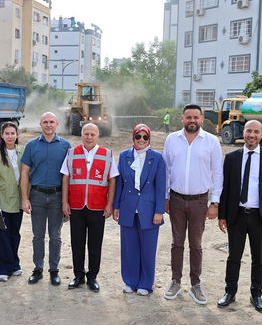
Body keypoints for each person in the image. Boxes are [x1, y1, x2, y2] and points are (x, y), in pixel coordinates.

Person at [217, 120, 262, 313]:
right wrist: (222, 215)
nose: (251, 135)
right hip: (236, 215)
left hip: (260, 217)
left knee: (259, 259)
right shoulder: (231, 158)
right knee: (234, 257)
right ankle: (230, 292)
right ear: (243, 133)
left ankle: (256, 295)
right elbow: (226, 189)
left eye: (256, 132)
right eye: (248, 131)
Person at [162, 103, 223, 304]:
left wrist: (215, 202)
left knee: (195, 244)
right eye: (188, 117)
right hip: (177, 200)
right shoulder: (172, 140)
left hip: (199, 201)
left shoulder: (212, 142)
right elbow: (165, 171)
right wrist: (165, 197)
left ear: (201, 119)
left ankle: (195, 285)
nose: (192, 121)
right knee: (177, 243)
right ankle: (175, 282)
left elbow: (218, 173)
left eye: (196, 117)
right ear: (182, 119)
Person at [61, 123, 118, 292]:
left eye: (93, 134)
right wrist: (65, 202)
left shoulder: (107, 154)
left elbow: (112, 180)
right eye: (86, 133)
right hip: (76, 206)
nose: (89, 137)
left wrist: (110, 204)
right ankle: (78, 275)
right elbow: (65, 178)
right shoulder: (71, 153)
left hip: (98, 206)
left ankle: (92, 276)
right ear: (81, 135)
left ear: (98, 136)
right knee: (77, 243)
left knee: (95, 244)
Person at [113, 124, 166, 296]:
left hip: (149, 209)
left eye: (145, 137)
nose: (141, 140)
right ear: (133, 137)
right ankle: (130, 281)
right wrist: (115, 206)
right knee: (129, 248)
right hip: (128, 207)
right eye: (138, 137)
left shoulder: (157, 157)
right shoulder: (124, 156)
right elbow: (119, 183)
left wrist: (159, 210)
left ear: (149, 138)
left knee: (148, 249)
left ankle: (145, 283)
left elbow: (160, 186)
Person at [20, 112, 72, 286]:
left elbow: (70, 175)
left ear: (57, 124)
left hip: (58, 196)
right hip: (37, 196)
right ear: (40, 124)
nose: (48, 125)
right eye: (45, 122)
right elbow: (25, 172)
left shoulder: (66, 146)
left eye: (51, 122)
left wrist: (67, 200)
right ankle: (38, 269)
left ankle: (54, 270)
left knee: (55, 236)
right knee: (38, 235)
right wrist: (25, 198)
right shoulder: (32, 145)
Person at [0, 122, 25, 282]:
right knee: (2, 235)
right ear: (1, 135)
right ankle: (3, 269)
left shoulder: (22, 151)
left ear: (16, 135)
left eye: (12, 133)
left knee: (15, 234)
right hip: (2, 200)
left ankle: (14, 265)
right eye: (7, 133)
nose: (10, 136)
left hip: (18, 200)